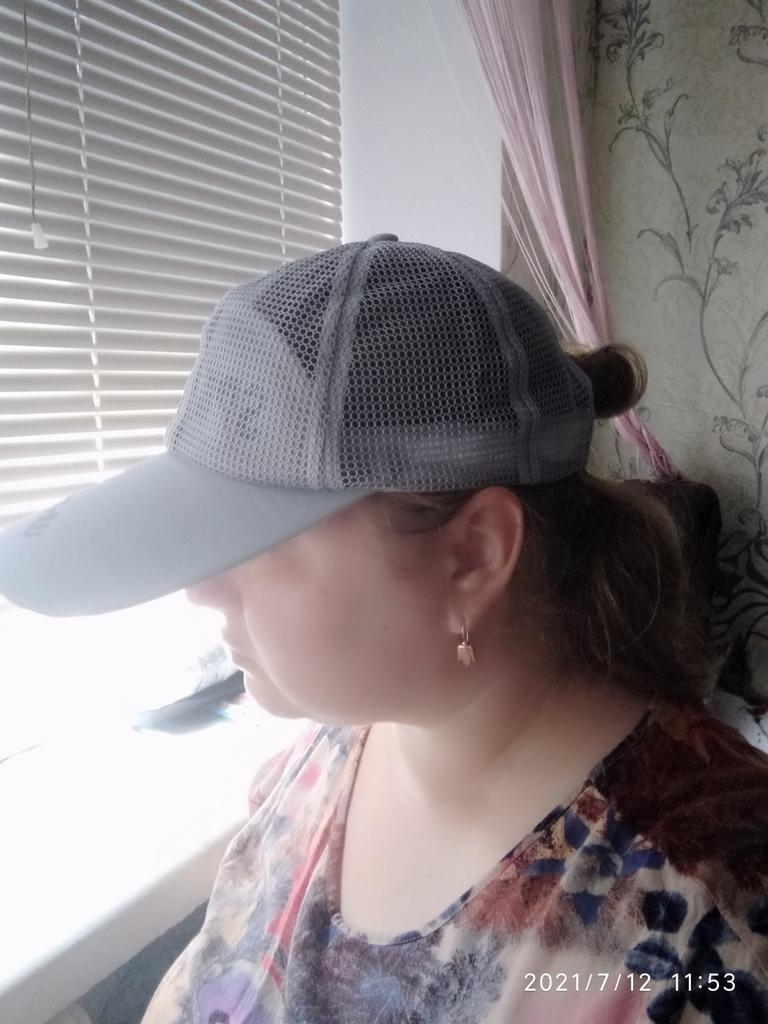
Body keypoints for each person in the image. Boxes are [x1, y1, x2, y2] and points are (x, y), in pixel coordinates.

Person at [1, 236, 767, 1023]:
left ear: (472, 556)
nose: (200, 589)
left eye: (257, 539)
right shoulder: (333, 750)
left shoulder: (708, 935)